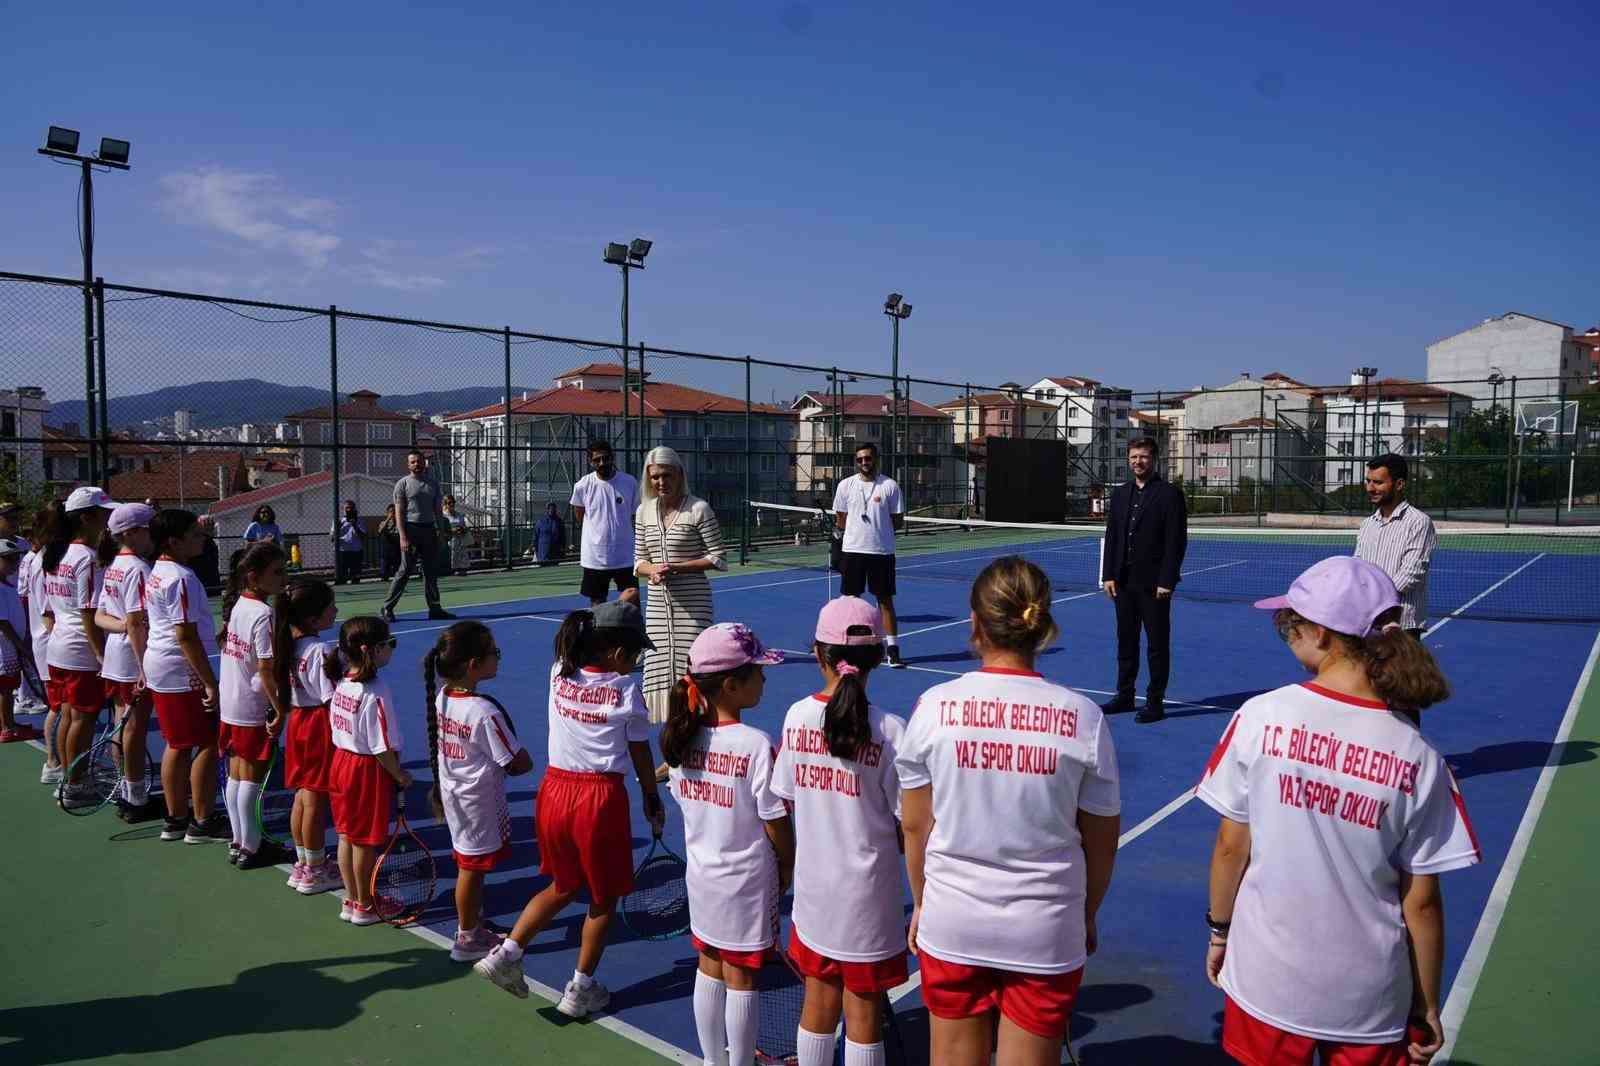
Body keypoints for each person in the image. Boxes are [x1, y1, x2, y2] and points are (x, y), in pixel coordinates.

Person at [1198, 556, 1480, 1066]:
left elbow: (1230, 846)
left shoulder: (1260, 716)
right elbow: (1422, 903)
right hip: (1368, 997)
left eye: (1292, 622)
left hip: (1268, 976)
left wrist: (1220, 931)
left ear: (1323, 635)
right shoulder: (1419, 757)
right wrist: (1428, 1004)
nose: (1286, 630)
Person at [897, 556, 1121, 1066]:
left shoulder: (933, 706)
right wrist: (1084, 913)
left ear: (975, 624)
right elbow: (1101, 840)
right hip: (1044, 927)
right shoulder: (1082, 717)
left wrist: (922, 899)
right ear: (1041, 624)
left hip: (953, 918)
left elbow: (915, 825)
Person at [474, 601, 665, 1019]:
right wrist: (652, 798)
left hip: (554, 792)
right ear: (616, 653)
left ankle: (507, 953)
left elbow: (579, 629)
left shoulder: (559, 672)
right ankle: (581, 988)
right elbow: (640, 752)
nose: (636, 662)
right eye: (634, 653)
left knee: (562, 884)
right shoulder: (626, 690)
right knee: (603, 898)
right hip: (598, 800)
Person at [771, 597, 908, 1066]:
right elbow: (910, 820)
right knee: (864, 1016)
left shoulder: (796, 717)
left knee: (818, 1004)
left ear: (818, 653)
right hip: (869, 900)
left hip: (815, 894)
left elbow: (787, 795)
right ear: (877, 659)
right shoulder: (891, 730)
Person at [660, 621, 792, 1066]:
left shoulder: (682, 742)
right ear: (732, 685)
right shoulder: (756, 745)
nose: (764, 677)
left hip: (702, 877)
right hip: (747, 882)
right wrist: (788, 866)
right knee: (743, 978)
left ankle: (715, 1061)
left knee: (710, 965)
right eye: (756, 670)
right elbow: (775, 822)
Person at [424, 621, 534, 962]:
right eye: (494, 654)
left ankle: (472, 924)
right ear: (473, 665)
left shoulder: (444, 696)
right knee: (472, 868)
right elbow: (517, 762)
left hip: (458, 792)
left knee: (468, 864)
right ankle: (468, 937)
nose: (498, 659)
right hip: (477, 801)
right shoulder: (482, 711)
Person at [143, 508, 230, 844]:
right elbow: (185, 635)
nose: (201, 538)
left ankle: (176, 817)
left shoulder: (159, 571)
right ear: (174, 542)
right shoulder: (181, 578)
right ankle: (202, 820)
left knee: (177, 744)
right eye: (194, 535)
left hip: (162, 665)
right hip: (181, 669)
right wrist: (209, 680)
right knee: (207, 742)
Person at [328, 615, 412, 926]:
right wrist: (399, 775)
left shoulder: (343, 683)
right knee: (364, 840)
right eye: (389, 644)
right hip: (365, 770)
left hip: (341, 763)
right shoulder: (375, 691)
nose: (392, 649)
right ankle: (365, 904)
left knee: (346, 836)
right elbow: (380, 746)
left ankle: (352, 899)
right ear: (373, 651)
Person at [634, 446, 726, 723]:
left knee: (694, 674)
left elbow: (718, 557)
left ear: (679, 475)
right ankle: (673, 749)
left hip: (694, 607)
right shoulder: (643, 512)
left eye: (667, 475)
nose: (661, 482)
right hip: (658, 611)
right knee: (659, 676)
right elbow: (638, 561)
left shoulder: (699, 509)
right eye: (655, 477)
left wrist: (679, 568)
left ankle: (696, 745)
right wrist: (653, 571)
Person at [1100, 435, 1188, 724]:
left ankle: (1154, 702)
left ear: (1154, 460)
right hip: (1123, 583)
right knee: (1125, 641)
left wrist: (1167, 580)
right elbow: (1112, 536)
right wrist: (1108, 575)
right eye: (1134, 457)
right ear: (1128, 460)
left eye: (1144, 457)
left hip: (1154, 586)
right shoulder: (1121, 494)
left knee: (1156, 645)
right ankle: (1125, 696)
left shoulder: (1169, 494)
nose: (1138, 462)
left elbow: (1176, 542)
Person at [218, 542, 295, 870]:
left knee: (237, 774)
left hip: (231, 701)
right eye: (276, 572)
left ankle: (240, 841)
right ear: (253, 576)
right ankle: (250, 847)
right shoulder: (263, 614)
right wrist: (278, 709)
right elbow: (265, 668)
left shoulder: (240, 605)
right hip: (250, 706)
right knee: (250, 776)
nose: (283, 577)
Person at [41, 486, 116, 808]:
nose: (108, 518)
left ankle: (66, 775)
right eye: (103, 513)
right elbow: (88, 611)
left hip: (59, 646)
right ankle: (75, 784)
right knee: (82, 720)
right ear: (86, 518)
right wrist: (100, 653)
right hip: (79, 651)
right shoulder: (86, 558)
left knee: (70, 716)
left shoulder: (57, 553)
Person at [274, 577, 345, 895]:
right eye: (330, 607)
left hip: (299, 722)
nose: (336, 610)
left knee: (303, 795)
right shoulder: (319, 650)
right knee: (315, 798)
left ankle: (305, 862)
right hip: (318, 723)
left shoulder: (289, 645)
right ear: (313, 618)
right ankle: (315, 869)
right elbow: (332, 698)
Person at [92, 503, 159, 820]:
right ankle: (135, 797)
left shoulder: (114, 566)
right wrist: (145, 666)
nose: (153, 534)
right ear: (131, 533)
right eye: (148, 528)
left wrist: (122, 626)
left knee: (123, 724)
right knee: (134, 728)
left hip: (119, 657)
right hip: (133, 658)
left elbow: (101, 617)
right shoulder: (138, 569)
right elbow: (135, 621)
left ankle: (128, 790)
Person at [833, 442, 907, 669]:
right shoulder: (845, 485)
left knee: (885, 601)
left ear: (876, 459)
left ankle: (892, 651)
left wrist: (878, 532)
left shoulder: (890, 486)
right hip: (853, 551)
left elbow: (897, 520)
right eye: (860, 459)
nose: (864, 462)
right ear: (856, 462)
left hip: (881, 552)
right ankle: (849, 649)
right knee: (851, 604)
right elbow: (841, 518)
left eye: (868, 458)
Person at [1355, 454, 1437, 639]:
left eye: (1378, 482)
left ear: (1399, 484)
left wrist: (1375, 599)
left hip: (1402, 626)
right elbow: (1358, 566)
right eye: (1368, 481)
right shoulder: (1367, 524)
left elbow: (1411, 574)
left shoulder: (1419, 522)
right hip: (1368, 623)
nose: (1370, 488)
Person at [381, 450, 454, 622]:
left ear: (424, 463)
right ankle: (387, 608)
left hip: (429, 531)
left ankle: (434, 608)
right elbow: (399, 512)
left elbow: (437, 511)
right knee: (405, 570)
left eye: (419, 461)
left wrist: (441, 533)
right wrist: (403, 537)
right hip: (410, 530)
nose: (417, 465)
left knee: (430, 572)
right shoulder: (402, 484)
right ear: (408, 465)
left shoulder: (433, 484)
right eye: (413, 462)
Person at [570, 440, 640, 608]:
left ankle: (634, 633)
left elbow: (635, 515)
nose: (602, 463)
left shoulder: (629, 482)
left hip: (625, 555)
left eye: (606, 458)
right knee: (597, 602)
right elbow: (579, 515)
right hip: (595, 557)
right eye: (597, 460)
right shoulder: (583, 485)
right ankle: (599, 633)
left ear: (612, 458)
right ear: (590, 461)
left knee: (633, 599)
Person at [0, 538, 38, 744]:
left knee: (8, 686)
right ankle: (7, 728)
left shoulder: (6, 583)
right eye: (8, 559)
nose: (14, 563)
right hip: (5, 647)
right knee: (5, 689)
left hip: (10, 645)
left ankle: (8, 722)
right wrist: (21, 646)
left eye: (15, 559)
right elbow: (3, 622)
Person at [16, 509, 50, 722]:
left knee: (26, 655)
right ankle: (24, 697)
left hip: (29, 605)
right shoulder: (33, 559)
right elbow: (26, 590)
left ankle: (24, 695)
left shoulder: (32, 558)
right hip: (29, 606)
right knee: (25, 654)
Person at [333, 501, 366, 586]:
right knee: (341, 577)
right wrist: (338, 527)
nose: (349, 509)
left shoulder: (360, 520)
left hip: (356, 550)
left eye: (351, 508)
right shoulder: (338, 521)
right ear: (343, 509)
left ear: (354, 509)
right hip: (342, 551)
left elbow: (363, 537)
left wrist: (354, 525)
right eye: (347, 508)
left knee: (355, 577)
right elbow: (332, 539)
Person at [439, 494, 469, 575]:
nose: (451, 504)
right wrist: (452, 530)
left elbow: (464, 526)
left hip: (460, 539)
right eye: (449, 503)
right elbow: (441, 529)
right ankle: (451, 570)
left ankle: (462, 570)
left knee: (462, 558)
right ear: (445, 504)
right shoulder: (443, 515)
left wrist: (462, 529)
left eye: (453, 502)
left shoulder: (459, 515)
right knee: (451, 555)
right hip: (449, 540)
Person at [193, 514, 223, 595]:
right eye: (209, 525)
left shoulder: (209, 542)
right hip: (204, 584)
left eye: (212, 525)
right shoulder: (201, 543)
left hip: (211, 582)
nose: (212, 527)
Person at [378, 503, 402, 581]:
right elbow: (380, 530)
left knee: (398, 573)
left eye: (394, 512)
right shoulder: (383, 523)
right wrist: (388, 518)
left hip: (397, 551)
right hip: (386, 552)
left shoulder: (400, 523)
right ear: (387, 513)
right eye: (391, 511)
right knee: (384, 574)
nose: (393, 513)